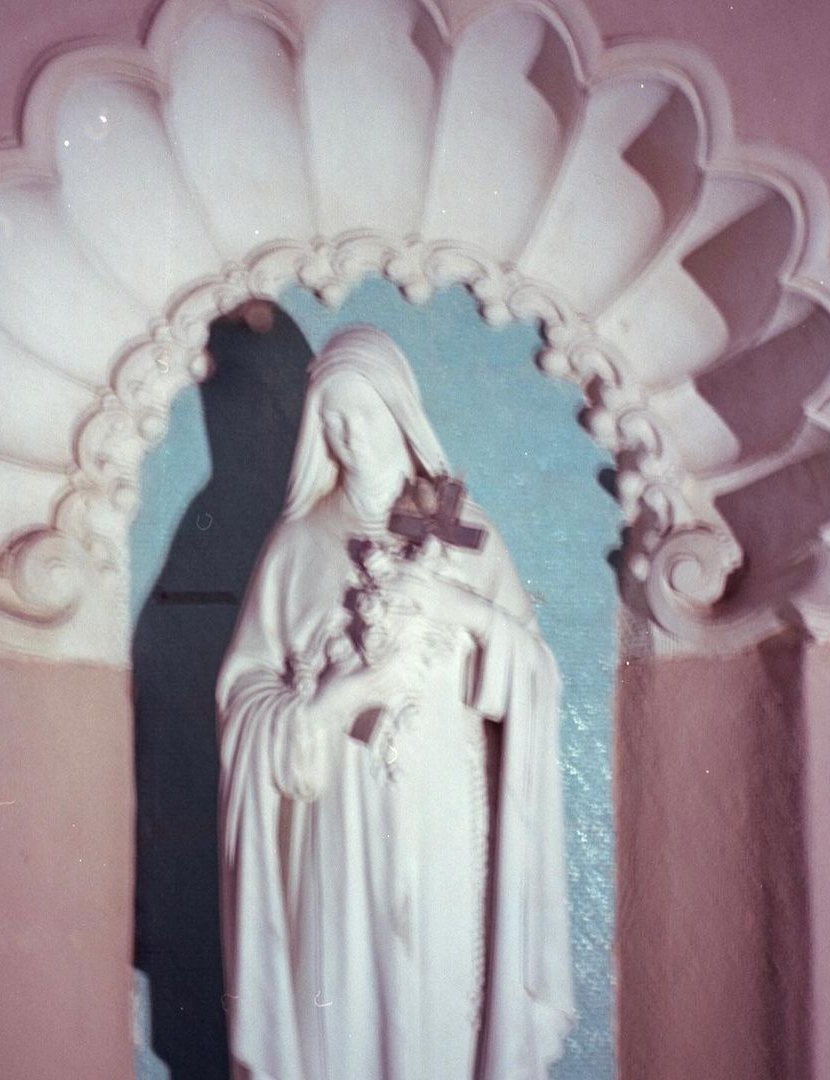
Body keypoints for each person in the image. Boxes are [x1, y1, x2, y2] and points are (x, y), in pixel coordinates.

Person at [216, 326, 574, 1079]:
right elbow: (243, 696)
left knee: (435, 995)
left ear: (400, 414)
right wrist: (333, 701)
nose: (350, 434)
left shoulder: (467, 535)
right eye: (332, 418)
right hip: (334, 815)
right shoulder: (296, 545)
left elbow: (535, 674)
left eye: (365, 413)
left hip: (441, 806)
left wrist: (460, 609)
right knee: (338, 999)